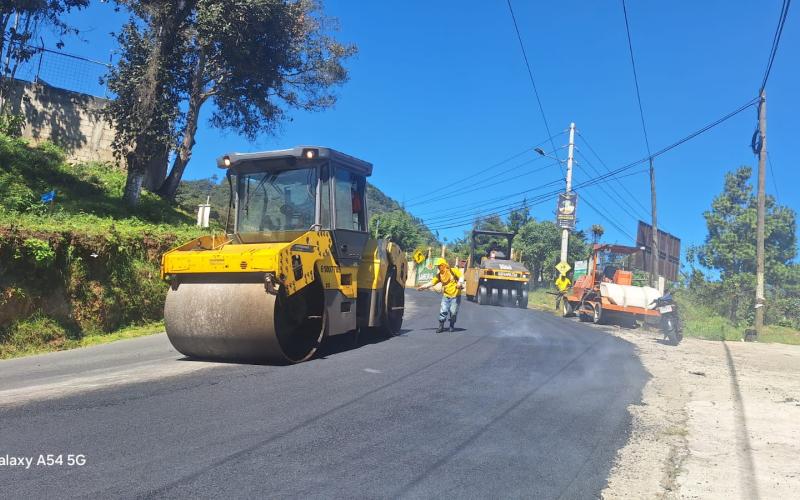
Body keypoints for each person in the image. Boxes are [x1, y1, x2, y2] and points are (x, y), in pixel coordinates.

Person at [417, 258, 464, 332]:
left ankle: (451, 325)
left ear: (443, 265)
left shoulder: (453, 270)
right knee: (443, 311)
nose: (438, 267)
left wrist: (459, 283)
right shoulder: (439, 275)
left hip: (455, 296)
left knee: (453, 312)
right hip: (446, 296)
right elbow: (432, 282)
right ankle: (441, 327)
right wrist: (423, 287)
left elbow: (461, 276)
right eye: (438, 266)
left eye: (439, 266)